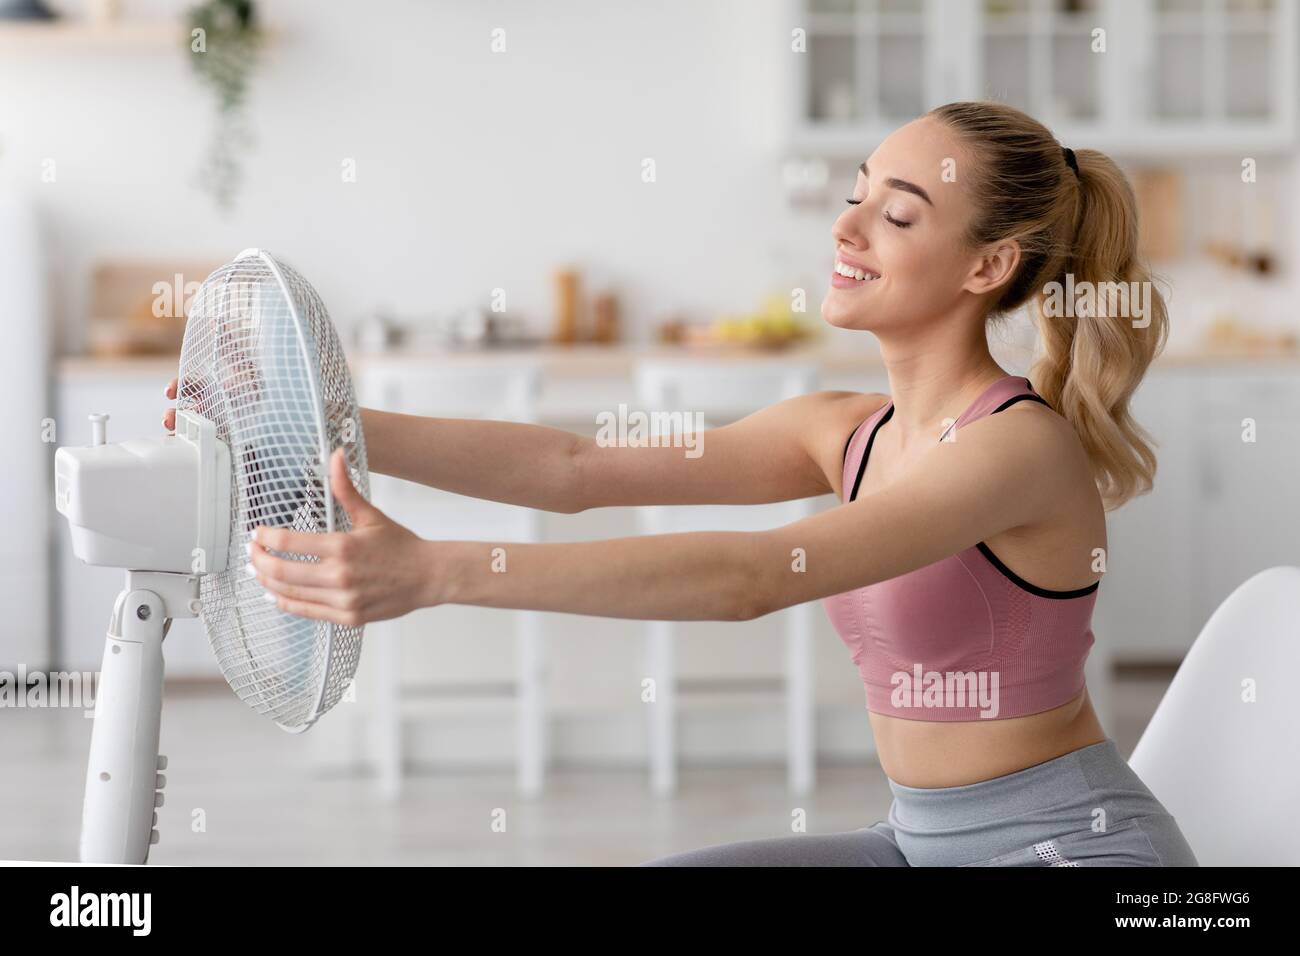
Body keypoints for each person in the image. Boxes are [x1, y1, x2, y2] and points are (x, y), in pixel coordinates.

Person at [164, 100, 1197, 867]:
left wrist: (435, 570)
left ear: (986, 267)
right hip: (914, 840)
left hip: (1068, 849)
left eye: (897, 215)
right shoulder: (843, 428)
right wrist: (302, 425)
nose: (844, 230)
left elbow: (744, 578)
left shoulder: (1018, 448)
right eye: (854, 200)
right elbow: (574, 468)